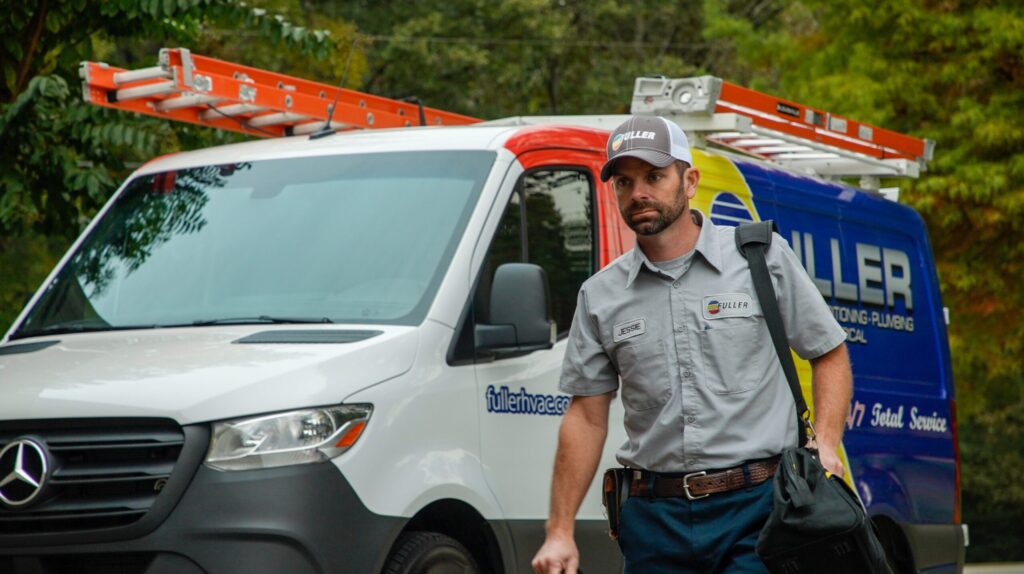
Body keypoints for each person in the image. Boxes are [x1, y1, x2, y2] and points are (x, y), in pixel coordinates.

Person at [531, 116, 852, 574]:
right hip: (653, 522)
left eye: (654, 176)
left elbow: (828, 351)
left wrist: (826, 443)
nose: (639, 192)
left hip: (759, 511)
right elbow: (585, 416)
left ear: (690, 180)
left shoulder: (759, 257)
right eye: (625, 181)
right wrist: (559, 530)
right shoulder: (600, 295)